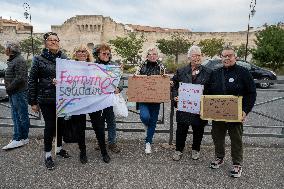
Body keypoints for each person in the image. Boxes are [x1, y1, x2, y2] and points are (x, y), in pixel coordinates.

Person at [208, 46, 256, 178]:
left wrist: (245, 111)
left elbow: (251, 93)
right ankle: (219, 157)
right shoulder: (216, 73)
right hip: (217, 113)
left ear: (235, 57)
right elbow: (208, 92)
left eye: (230, 55)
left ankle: (237, 163)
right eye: (224, 56)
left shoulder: (243, 72)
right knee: (217, 137)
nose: (227, 58)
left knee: (236, 138)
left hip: (235, 113)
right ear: (221, 57)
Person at [28, 32, 70, 170]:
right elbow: (32, 80)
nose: (53, 42)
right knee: (50, 126)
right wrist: (33, 101)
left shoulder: (64, 58)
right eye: (50, 40)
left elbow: (71, 77)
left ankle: (58, 148)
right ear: (46, 43)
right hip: (46, 98)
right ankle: (47, 154)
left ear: (59, 42)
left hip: (62, 99)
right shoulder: (38, 59)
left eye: (55, 40)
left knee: (61, 125)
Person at [172, 45, 211, 161]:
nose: (197, 58)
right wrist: (175, 96)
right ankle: (178, 150)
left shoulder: (208, 72)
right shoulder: (181, 71)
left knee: (198, 130)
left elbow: (212, 89)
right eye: (194, 55)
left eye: (199, 55)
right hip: (184, 107)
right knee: (181, 130)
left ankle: (196, 149)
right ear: (189, 57)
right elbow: (174, 86)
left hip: (199, 108)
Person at [92, 44, 123, 154]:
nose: (106, 55)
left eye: (108, 53)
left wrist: (119, 88)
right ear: (98, 54)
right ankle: (99, 141)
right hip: (97, 99)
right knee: (98, 122)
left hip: (109, 98)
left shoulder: (114, 66)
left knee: (111, 121)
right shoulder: (93, 65)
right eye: (103, 53)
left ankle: (112, 142)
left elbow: (121, 80)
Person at [135, 47, 165, 154]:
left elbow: (164, 79)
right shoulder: (141, 65)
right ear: (147, 56)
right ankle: (147, 126)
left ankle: (148, 142)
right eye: (150, 54)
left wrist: (167, 82)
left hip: (156, 98)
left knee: (153, 121)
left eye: (155, 54)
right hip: (143, 97)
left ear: (157, 56)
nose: (152, 56)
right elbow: (136, 77)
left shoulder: (161, 66)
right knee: (144, 116)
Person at [1, 41, 30, 150]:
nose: (5, 50)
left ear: (11, 50)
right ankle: (20, 137)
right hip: (14, 92)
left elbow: (20, 78)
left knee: (20, 116)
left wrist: (8, 88)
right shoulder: (14, 60)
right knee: (16, 115)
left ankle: (20, 138)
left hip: (18, 92)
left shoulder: (19, 60)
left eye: (6, 48)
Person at [69, 44, 95, 164]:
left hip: (92, 99)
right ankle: (82, 150)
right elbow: (65, 80)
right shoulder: (69, 67)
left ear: (87, 54)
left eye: (84, 51)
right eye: (79, 51)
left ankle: (103, 149)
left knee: (98, 125)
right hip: (77, 100)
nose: (82, 53)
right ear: (75, 53)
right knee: (80, 127)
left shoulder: (94, 67)